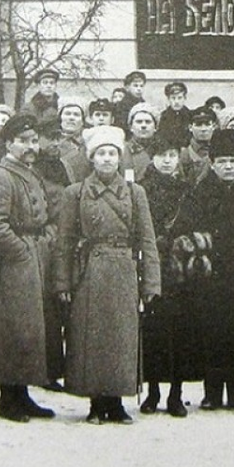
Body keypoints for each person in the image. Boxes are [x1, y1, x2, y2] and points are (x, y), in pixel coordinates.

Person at [54, 125, 161, 424]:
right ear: (91, 158)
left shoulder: (135, 192)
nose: (106, 159)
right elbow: (63, 241)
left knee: (121, 338)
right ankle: (95, 402)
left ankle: (116, 402)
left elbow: (147, 240)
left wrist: (151, 281)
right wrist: (63, 281)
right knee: (91, 338)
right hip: (90, 272)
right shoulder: (74, 193)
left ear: (119, 157)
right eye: (100, 153)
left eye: (112, 153)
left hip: (125, 271)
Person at [172, 129, 234, 413]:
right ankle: (212, 392)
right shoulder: (198, 193)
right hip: (210, 278)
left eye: (233, 160)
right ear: (212, 162)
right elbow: (186, 234)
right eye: (222, 161)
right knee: (211, 334)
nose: (228, 166)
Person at [0, 114, 59, 423]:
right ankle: (8, 399)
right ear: (9, 143)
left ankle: (23, 395)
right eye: (23, 141)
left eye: (34, 141)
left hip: (34, 260)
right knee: (12, 330)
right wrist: (21, 250)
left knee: (30, 331)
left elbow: (44, 214)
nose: (31, 147)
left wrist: (46, 237)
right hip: (11, 266)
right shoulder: (1, 176)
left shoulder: (30, 173)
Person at [138, 133, 199, 416]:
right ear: (152, 158)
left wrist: (183, 243)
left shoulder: (187, 191)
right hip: (151, 266)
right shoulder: (141, 190)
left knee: (181, 332)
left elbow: (198, 228)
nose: (167, 160)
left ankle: (176, 394)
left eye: (172, 155)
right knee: (152, 333)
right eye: (161, 155)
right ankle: (152, 392)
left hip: (180, 270)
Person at [179, 106, 216, 184]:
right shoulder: (184, 154)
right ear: (190, 127)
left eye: (207, 124)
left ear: (214, 127)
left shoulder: (220, 151)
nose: (203, 129)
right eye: (198, 124)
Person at [124, 102, 159, 179]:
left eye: (148, 122)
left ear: (155, 127)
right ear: (131, 127)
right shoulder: (123, 152)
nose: (143, 126)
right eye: (139, 122)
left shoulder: (162, 151)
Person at [113, 71, 147, 136]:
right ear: (127, 87)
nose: (139, 89)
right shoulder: (122, 105)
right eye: (135, 86)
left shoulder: (143, 104)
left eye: (141, 86)